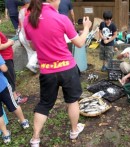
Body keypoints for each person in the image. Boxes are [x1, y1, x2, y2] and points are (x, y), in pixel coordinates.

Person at [24, 0, 92, 146]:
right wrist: (86, 28)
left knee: (44, 104)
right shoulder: (62, 18)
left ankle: (35, 139)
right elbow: (79, 43)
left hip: (47, 71)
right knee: (72, 101)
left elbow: (33, 46)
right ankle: (74, 131)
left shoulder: (28, 20)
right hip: (67, 68)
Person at [0, 55, 29, 144]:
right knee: (14, 104)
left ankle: (6, 135)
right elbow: (4, 68)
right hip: (3, 86)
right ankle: (24, 122)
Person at [0, 20, 28, 105]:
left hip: (6, 58)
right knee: (10, 78)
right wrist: (9, 43)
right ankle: (15, 99)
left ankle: (14, 95)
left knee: (11, 77)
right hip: (5, 59)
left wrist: (7, 41)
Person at [18, 0, 38, 73]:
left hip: (21, 33)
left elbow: (20, 23)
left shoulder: (21, 10)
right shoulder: (31, 10)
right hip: (27, 34)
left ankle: (33, 66)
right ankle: (31, 64)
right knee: (37, 49)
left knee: (29, 51)